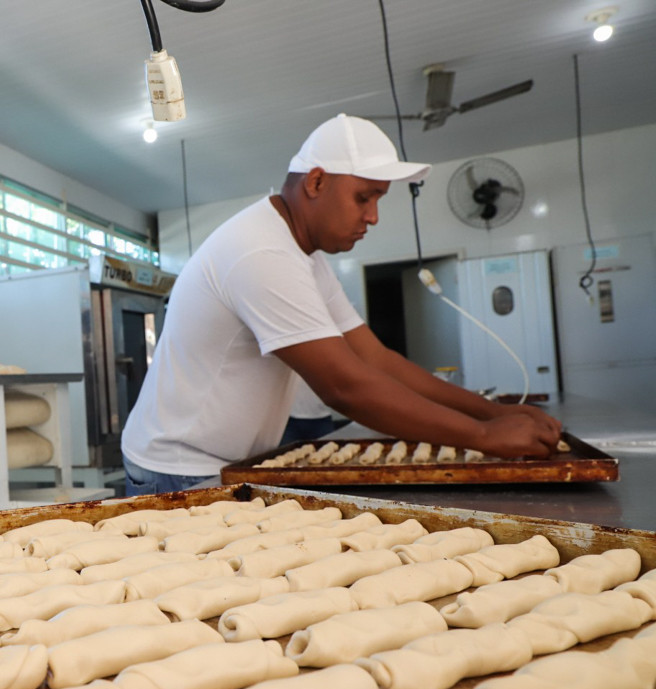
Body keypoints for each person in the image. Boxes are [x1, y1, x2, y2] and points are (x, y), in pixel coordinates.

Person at [121, 113, 561, 495]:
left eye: (378, 200)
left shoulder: (302, 256)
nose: (372, 217)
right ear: (316, 181)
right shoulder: (261, 252)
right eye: (363, 197)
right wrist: (484, 434)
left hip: (222, 462)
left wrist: (493, 411)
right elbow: (346, 387)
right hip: (179, 470)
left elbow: (376, 359)